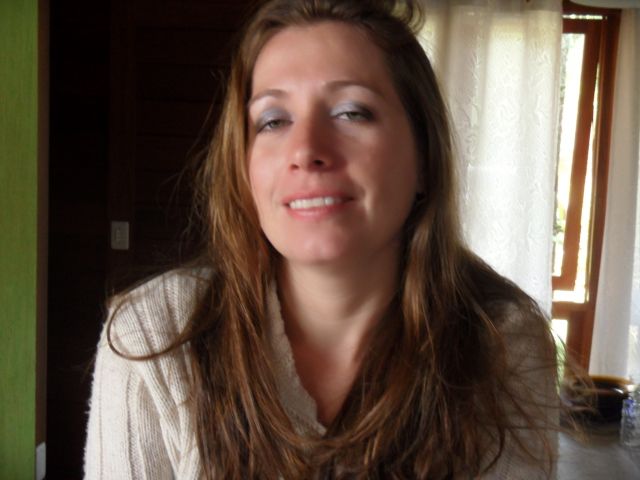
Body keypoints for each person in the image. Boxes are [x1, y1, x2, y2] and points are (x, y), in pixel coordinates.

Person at [84, 0, 559, 478]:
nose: (306, 150)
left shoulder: (500, 340)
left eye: (352, 112)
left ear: (424, 158)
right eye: (273, 120)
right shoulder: (152, 338)